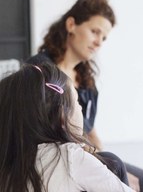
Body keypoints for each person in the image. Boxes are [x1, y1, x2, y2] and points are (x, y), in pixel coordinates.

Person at [26, 0, 143, 192]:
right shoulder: (40, 70)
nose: (99, 42)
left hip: (89, 157)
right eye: (95, 31)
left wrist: (105, 158)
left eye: (104, 37)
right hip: (61, 163)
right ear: (71, 25)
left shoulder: (86, 78)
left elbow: (88, 128)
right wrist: (110, 172)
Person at [0, 63, 134, 192]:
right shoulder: (70, 158)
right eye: (77, 101)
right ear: (62, 115)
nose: (80, 108)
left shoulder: (7, 167)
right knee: (113, 162)